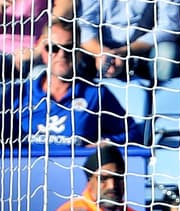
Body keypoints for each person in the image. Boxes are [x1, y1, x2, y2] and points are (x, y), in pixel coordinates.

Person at [14, 18, 142, 148]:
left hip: (76, 167)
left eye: (69, 47)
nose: (62, 54)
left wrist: (107, 142)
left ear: (79, 52)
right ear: (43, 51)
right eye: (53, 48)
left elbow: (132, 134)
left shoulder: (95, 94)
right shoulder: (19, 94)